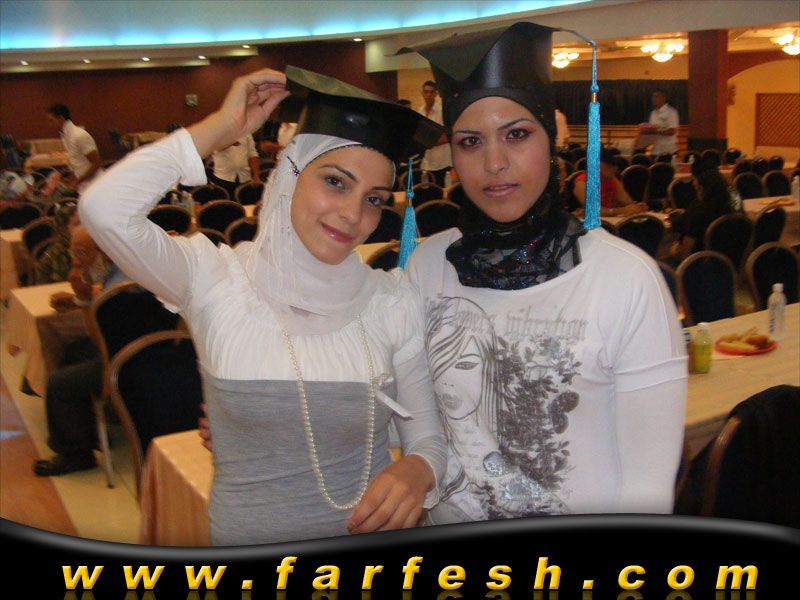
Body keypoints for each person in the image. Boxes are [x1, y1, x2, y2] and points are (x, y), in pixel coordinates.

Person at [79, 65, 447, 545]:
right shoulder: (214, 278)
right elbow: (103, 210)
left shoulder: (390, 300)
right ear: (290, 173)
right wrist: (222, 128)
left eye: (374, 199)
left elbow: (427, 440)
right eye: (335, 182)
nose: (352, 214)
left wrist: (418, 470)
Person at [402, 22, 688, 523]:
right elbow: (414, 425)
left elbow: (646, 489)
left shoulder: (624, 279)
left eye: (516, 134)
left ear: (552, 140)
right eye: (470, 141)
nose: (494, 162)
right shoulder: (427, 267)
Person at [33, 225, 129, 476]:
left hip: (125, 362)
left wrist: (84, 300)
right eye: (73, 253)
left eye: (82, 253)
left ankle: (76, 454)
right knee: (75, 351)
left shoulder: (116, 290)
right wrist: (80, 298)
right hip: (156, 352)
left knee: (58, 383)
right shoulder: (128, 268)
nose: (76, 261)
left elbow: (100, 341)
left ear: (104, 251)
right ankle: (88, 429)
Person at [668, 169, 733, 264]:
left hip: (699, 263)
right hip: (729, 261)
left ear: (701, 188)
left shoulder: (699, 211)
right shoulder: (732, 207)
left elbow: (686, 249)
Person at [572, 148, 647, 218]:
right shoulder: (582, 182)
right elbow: (592, 211)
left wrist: (637, 207)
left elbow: (627, 202)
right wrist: (620, 210)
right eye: (608, 167)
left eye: (614, 166)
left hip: (611, 221)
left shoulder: (612, 179)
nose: (614, 169)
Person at [45, 104, 103, 192]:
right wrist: (66, 177)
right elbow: (77, 162)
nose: (50, 125)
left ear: (61, 118)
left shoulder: (79, 135)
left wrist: (78, 181)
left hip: (95, 185)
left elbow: (96, 163)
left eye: (51, 120)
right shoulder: (65, 136)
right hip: (84, 185)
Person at [417, 80, 452, 187]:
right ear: (422, 93)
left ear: (436, 94)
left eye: (431, 92)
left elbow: (449, 135)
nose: (428, 95)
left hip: (441, 161)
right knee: (427, 192)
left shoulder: (442, 112)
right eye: (426, 92)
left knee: (441, 191)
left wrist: (430, 141)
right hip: (426, 161)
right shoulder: (420, 111)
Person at [209, 134, 261, 198]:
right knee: (223, 203)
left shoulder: (246, 133)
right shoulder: (216, 132)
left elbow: (252, 154)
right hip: (222, 178)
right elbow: (213, 148)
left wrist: (256, 175)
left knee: (246, 203)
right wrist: (230, 143)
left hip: (245, 177)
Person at [648, 90, 679, 157]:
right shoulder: (653, 113)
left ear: (664, 98)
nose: (653, 99)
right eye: (653, 97)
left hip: (668, 151)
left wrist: (656, 131)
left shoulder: (671, 112)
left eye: (656, 96)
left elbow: (672, 131)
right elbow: (652, 129)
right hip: (655, 150)